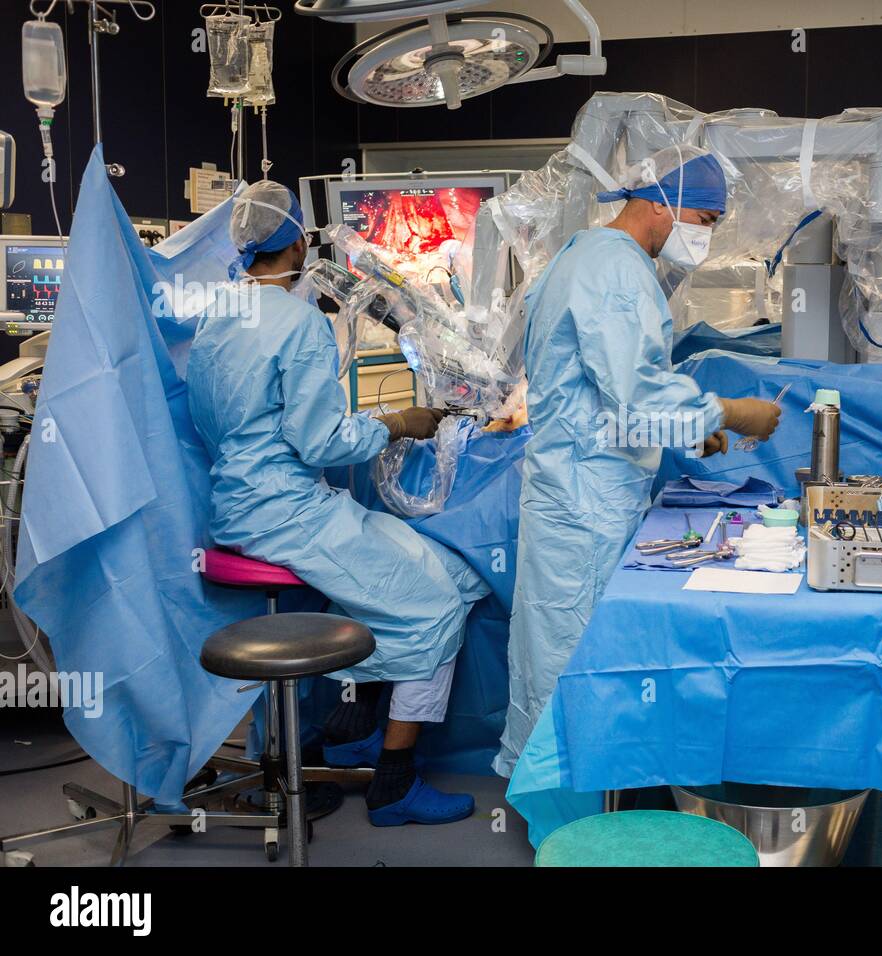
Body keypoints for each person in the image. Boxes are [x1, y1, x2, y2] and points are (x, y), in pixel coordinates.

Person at [187, 180, 489, 827]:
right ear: (299, 240)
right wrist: (399, 422)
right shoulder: (298, 322)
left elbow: (233, 421)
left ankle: (352, 726)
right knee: (436, 607)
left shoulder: (219, 316)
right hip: (288, 516)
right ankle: (394, 786)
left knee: (454, 576)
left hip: (244, 506)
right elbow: (320, 438)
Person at [494, 146, 783, 775]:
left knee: (553, 647)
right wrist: (728, 412)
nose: (704, 236)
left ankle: (554, 788)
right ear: (660, 201)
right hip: (585, 498)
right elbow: (637, 392)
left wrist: (687, 428)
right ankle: (572, 804)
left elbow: (615, 388)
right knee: (577, 652)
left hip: (572, 488)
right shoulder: (618, 271)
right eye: (703, 220)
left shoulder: (583, 254)